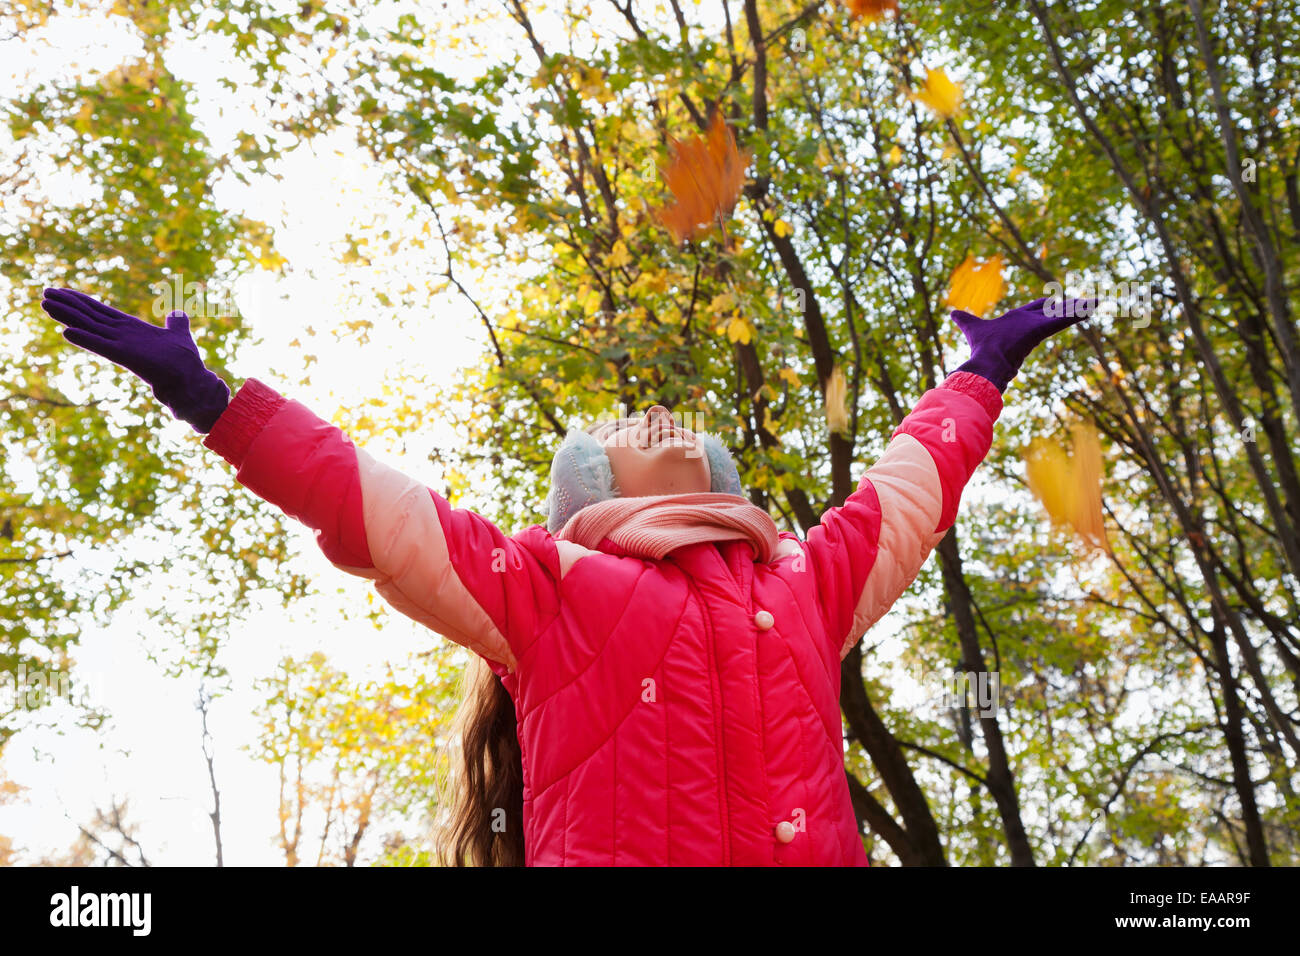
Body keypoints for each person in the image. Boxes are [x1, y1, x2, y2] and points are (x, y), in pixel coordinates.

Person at [40, 285, 1087, 866]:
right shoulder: (549, 583)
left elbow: (909, 488)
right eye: (631, 427)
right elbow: (381, 510)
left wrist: (979, 372)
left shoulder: (804, 580)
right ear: (588, 479)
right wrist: (219, 403)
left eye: (677, 420)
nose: (662, 418)